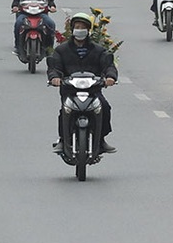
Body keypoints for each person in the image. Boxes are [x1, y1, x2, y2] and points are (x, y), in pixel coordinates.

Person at [45, 11, 118, 153]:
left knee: (104, 107)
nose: (80, 30)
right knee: (65, 111)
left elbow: (109, 66)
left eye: (82, 27)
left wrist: (110, 77)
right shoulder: (61, 50)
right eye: (77, 26)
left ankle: (101, 140)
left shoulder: (99, 50)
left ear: (88, 30)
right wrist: (55, 78)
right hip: (70, 90)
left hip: (93, 91)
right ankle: (62, 139)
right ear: (72, 29)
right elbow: (54, 67)